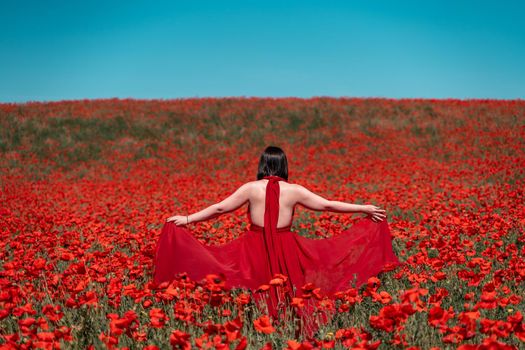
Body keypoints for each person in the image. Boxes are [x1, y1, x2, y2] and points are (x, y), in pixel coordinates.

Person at [154, 146, 401, 338]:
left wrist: (187, 219)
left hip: (254, 245)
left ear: (262, 164)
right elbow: (327, 205)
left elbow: (220, 208)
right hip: (286, 247)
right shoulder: (295, 190)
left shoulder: (251, 188)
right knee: (290, 291)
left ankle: (256, 331)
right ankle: (289, 333)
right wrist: (363, 208)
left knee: (254, 289)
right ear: (284, 165)